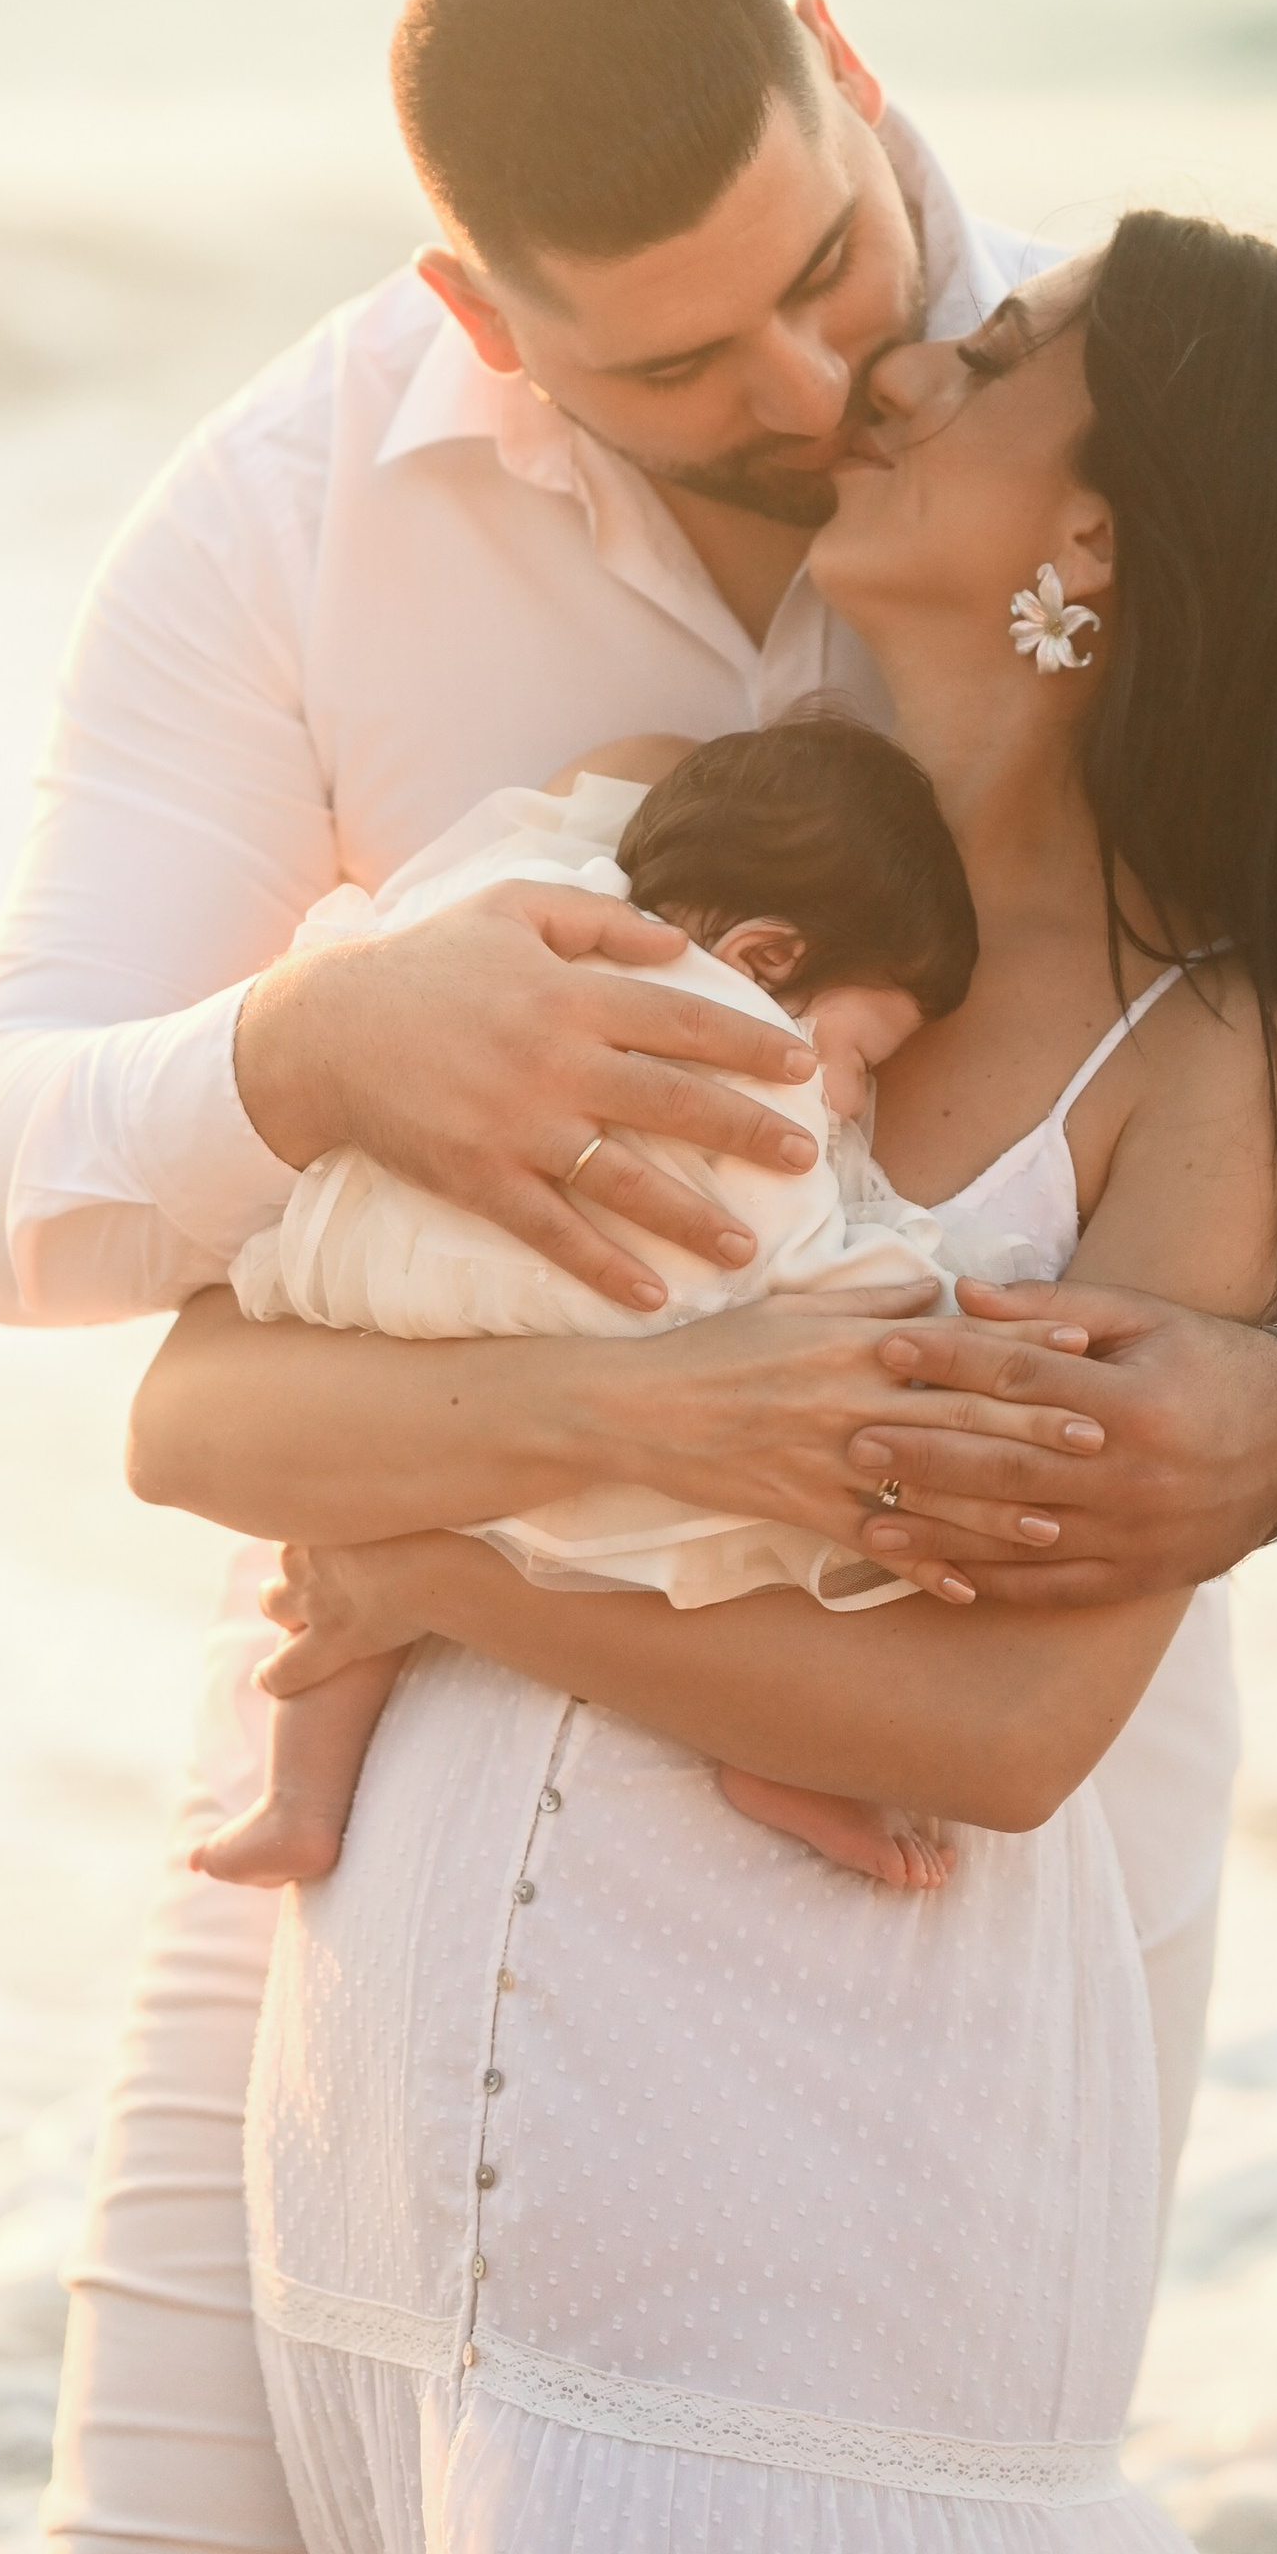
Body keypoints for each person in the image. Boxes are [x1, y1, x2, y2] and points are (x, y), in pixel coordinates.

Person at [0, 0, 1277, 2554]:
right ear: (485, 318)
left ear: (850, 79)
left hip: (870, 1885)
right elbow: (21, 1195)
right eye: (680, 360)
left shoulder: (1147, 406)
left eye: (844, 276)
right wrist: (313, 1057)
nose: (824, 384)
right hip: (383, 1736)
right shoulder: (305, 527)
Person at [195, 719, 1009, 1899]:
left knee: (350, 1540)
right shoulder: (736, 1060)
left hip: (379, 1304)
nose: (851, 1096)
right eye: (862, 1054)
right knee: (782, 1520)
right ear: (768, 955)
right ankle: (775, 1756)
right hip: (562, 1323)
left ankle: (298, 1801)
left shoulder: (526, 911)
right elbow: (799, 1261)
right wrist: (939, 1280)